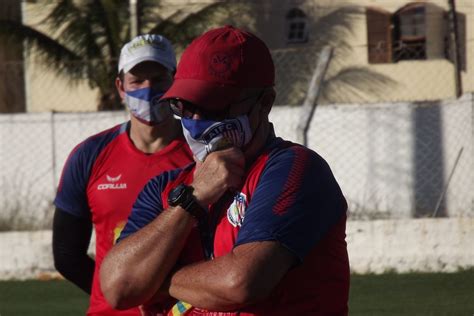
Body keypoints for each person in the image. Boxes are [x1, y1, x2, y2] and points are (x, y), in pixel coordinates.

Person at [100, 25, 350, 315]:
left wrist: (156, 279)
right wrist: (190, 201)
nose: (195, 119)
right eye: (185, 105)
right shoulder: (165, 187)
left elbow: (240, 283)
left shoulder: (295, 169)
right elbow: (117, 287)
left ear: (264, 103)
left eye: (212, 106)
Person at [52, 34, 193, 316]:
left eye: (158, 78)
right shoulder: (89, 155)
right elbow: (67, 255)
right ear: (120, 87)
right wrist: (119, 291)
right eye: (137, 81)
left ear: (176, 82)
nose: (148, 89)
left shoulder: (201, 152)